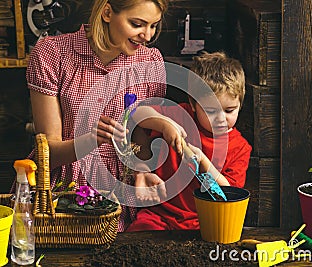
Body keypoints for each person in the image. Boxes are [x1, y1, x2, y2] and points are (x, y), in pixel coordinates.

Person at [25, 0, 169, 231]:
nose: (147, 36)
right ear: (107, 12)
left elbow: (139, 139)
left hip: (119, 193)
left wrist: (142, 172)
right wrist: (90, 140)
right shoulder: (52, 54)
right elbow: (48, 154)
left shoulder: (150, 62)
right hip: (61, 190)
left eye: (153, 26)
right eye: (137, 24)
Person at [126, 51, 252, 231]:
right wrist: (164, 124)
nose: (220, 118)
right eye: (210, 111)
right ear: (193, 104)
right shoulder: (181, 116)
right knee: (138, 235)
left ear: (240, 104)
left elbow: (229, 194)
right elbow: (137, 114)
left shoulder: (240, 148)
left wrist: (203, 162)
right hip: (160, 214)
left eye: (229, 110)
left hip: (203, 220)